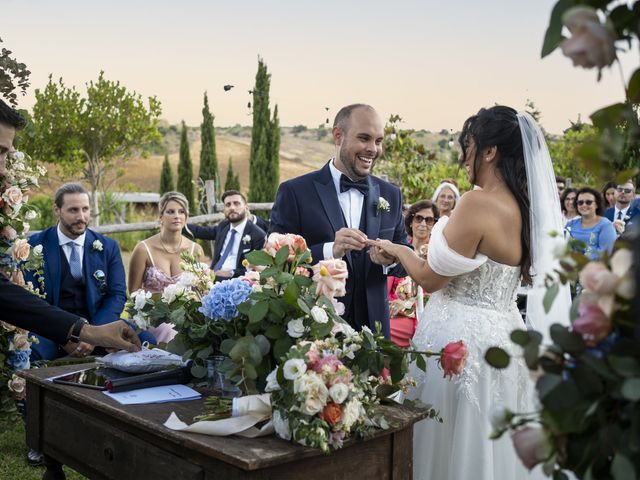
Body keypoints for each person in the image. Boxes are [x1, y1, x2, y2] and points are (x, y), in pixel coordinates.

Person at [369, 106, 570, 479]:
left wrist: (397, 250)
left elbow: (431, 279)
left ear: (490, 151)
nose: (463, 157)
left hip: (460, 340)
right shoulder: (528, 209)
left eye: (469, 146)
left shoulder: (477, 203)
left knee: (445, 442)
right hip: (507, 339)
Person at [270, 103, 408, 338]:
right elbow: (275, 263)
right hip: (313, 330)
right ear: (338, 136)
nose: (373, 149)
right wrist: (329, 250)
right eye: (364, 138)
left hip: (374, 333)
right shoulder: (295, 192)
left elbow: (407, 257)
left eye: (378, 140)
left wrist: (391, 259)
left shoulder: (391, 194)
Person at [24, 183, 152, 361]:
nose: (81, 217)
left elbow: (116, 295)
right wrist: (63, 334)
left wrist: (94, 333)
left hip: (99, 324)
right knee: (28, 352)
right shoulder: (34, 247)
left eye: (85, 209)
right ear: (57, 210)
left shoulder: (108, 246)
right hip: (52, 331)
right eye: (73, 210)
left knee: (147, 343)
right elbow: (32, 300)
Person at [128, 191, 204, 342]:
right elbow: (134, 293)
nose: (177, 216)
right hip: (153, 316)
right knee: (169, 330)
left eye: (181, 212)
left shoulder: (195, 250)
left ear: (186, 217)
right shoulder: (143, 249)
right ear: (161, 216)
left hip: (186, 315)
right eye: (170, 211)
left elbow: (201, 292)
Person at [387, 200, 438, 347]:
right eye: (418, 218)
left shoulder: (437, 254)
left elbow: (434, 291)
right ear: (410, 221)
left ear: (434, 224)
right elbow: (387, 283)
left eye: (429, 220)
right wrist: (390, 304)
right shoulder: (400, 249)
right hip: (393, 309)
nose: (423, 223)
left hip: (420, 313)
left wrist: (406, 305)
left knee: (386, 332)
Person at [186, 190, 266, 280]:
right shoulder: (223, 227)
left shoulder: (258, 235)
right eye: (228, 205)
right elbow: (201, 231)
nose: (232, 208)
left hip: (238, 281)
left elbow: (258, 269)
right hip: (212, 277)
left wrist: (231, 273)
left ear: (246, 208)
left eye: (236, 203)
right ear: (224, 210)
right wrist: (180, 225)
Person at [566, 187, 617, 259]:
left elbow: (606, 254)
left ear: (596, 204)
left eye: (588, 202)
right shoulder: (571, 224)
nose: (584, 205)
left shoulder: (606, 225)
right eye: (580, 202)